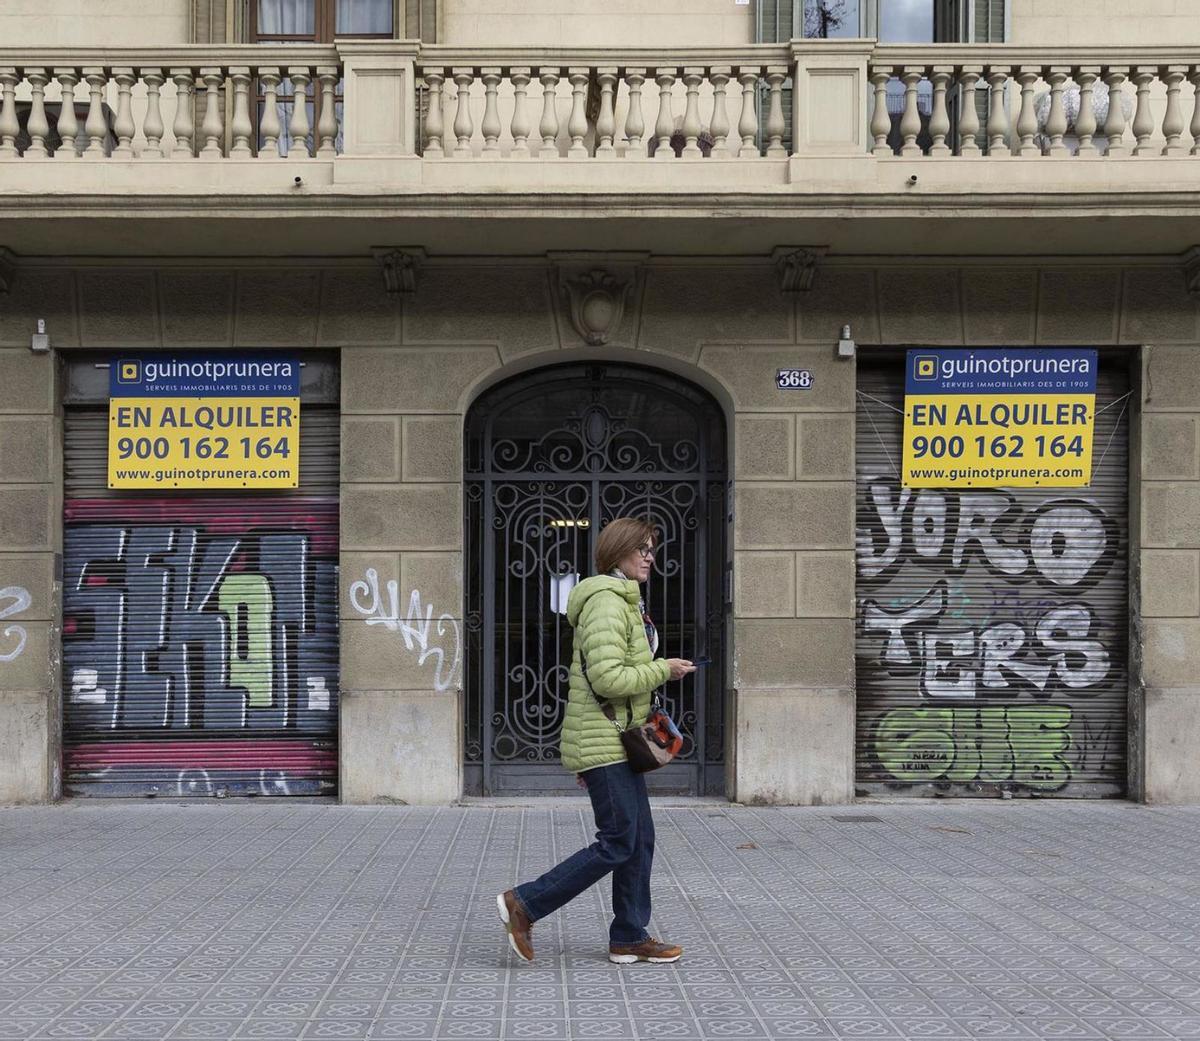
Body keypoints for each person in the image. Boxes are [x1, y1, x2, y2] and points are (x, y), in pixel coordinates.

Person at [496, 517, 696, 964]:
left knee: (639, 837)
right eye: (641, 549)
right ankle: (525, 903)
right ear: (618, 552)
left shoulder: (625, 600)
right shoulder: (607, 601)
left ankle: (628, 935)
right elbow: (607, 678)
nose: (649, 556)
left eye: (651, 548)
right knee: (619, 840)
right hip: (604, 741)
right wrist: (664, 669)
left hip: (619, 738)